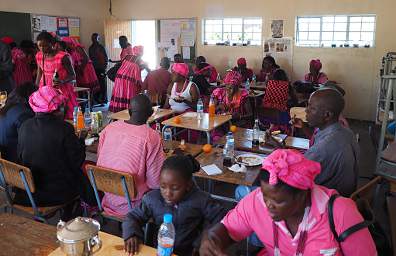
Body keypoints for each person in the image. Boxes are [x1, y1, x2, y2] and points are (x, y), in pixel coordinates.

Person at [199, 149, 376, 256]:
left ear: (302, 195)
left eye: (277, 201)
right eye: (264, 195)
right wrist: (211, 239)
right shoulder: (256, 201)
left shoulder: (340, 212)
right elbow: (226, 231)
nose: (267, 204)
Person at [123, 155, 226, 256]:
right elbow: (133, 217)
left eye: (175, 188)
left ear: (188, 185)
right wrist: (131, 234)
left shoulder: (201, 199)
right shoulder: (152, 199)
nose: (167, 193)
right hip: (160, 250)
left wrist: (204, 238)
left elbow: (221, 217)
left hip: (190, 252)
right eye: (163, 187)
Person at [16, 86, 95, 212]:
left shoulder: (25, 126)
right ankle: (71, 215)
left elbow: (21, 156)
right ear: (58, 108)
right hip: (56, 192)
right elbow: (77, 161)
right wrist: (81, 141)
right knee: (81, 176)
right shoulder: (64, 128)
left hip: (29, 191)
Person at [97, 94, 165, 216]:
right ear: (151, 113)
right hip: (134, 207)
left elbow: (100, 160)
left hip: (107, 199)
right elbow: (154, 183)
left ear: (129, 111)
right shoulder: (151, 137)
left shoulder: (109, 128)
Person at [297, 89, 359, 197]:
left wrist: (279, 151)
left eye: (312, 108)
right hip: (345, 197)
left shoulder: (324, 147)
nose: (306, 111)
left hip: (327, 202)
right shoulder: (347, 133)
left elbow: (296, 175)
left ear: (327, 115)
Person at [35, 32, 77, 120]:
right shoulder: (38, 55)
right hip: (45, 88)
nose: (42, 49)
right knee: (47, 115)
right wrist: (36, 88)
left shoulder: (63, 57)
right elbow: (39, 73)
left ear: (53, 44)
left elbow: (73, 75)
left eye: (45, 46)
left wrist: (62, 81)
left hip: (60, 89)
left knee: (64, 114)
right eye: (39, 46)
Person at [0, 82, 36, 162]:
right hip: (18, 162)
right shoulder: (24, 114)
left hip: (6, 163)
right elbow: (30, 144)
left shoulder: (6, 109)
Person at [109, 45, 145, 112]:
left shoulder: (127, 57)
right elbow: (138, 77)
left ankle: (118, 113)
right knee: (129, 95)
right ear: (142, 52)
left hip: (119, 78)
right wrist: (143, 86)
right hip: (129, 81)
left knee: (120, 93)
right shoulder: (140, 61)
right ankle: (128, 112)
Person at [261, 69, 297, 133]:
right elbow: (295, 100)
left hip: (265, 114)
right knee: (290, 113)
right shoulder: (287, 85)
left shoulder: (270, 84)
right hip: (280, 116)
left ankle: (273, 128)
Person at [89, 33, 109, 105]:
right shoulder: (91, 48)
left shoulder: (101, 47)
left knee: (102, 84)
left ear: (98, 39)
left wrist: (105, 67)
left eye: (96, 38)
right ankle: (97, 100)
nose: (94, 39)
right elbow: (90, 58)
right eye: (93, 38)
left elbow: (105, 57)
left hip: (101, 68)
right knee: (96, 85)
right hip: (94, 69)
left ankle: (103, 100)